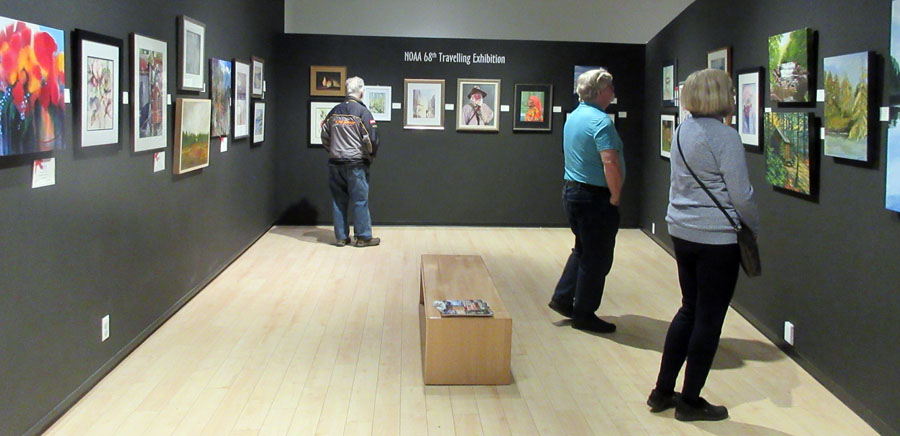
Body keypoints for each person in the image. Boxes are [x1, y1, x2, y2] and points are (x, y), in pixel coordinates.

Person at [647, 68, 760, 421]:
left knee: (689, 309)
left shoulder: (683, 130)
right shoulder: (726, 137)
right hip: (716, 237)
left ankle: (662, 391)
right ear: (720, 96)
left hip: (682, 231)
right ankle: (690, 401)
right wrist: (753, 226)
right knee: (709, 320)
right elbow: (741, 195)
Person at [547, 68, 624, 334]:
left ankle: (563, 297)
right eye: (610, 88)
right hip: (594, 198)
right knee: (597, 258)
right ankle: (584, 313)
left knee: (583, 249)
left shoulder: (575, 117)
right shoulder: (601, 122)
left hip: (573, 193)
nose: (613, 92)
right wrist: (615, 194)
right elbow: (610, 161)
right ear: (600, 91)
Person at [321, 76, 381, 247]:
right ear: (361, 92)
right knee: (360, 200)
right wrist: (370, 155)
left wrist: (333, 151)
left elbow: (324, 135)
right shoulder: (363, 113)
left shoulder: (334, 112)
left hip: (335, 163)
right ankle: (363, 237)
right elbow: (372, 139)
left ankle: (341, 237)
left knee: (338, 201)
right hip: (356, 164)